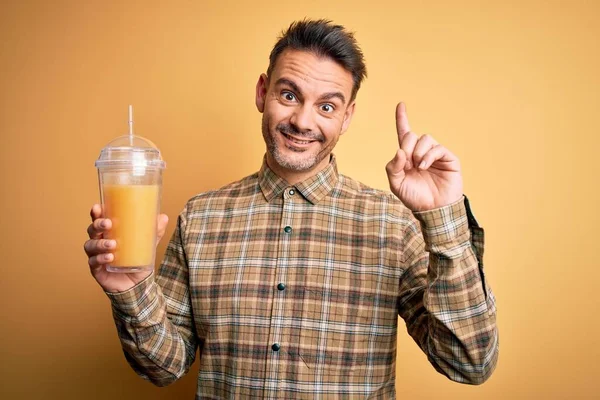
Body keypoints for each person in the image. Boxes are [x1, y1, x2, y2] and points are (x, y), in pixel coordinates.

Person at [84, 19, 498, 398]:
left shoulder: (394, 225)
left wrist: (444, 218)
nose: (303, 121)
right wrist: (132, 287)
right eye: (289, 95)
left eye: (327, 106)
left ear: (347, 117)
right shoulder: (200, 218)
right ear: (263, 93)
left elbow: (469, 362)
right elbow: (165, 367)